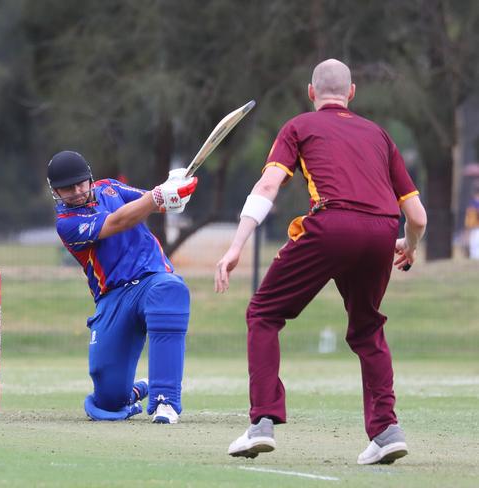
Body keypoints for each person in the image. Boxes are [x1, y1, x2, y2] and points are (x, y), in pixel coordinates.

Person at [214, 59, 427, 464]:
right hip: (383, 230)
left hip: (333, 223)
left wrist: (236, 245)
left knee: (263, 313)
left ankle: (261, 422)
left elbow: (268, 185)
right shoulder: (379, 135)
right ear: (351, 94)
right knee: (368, 329)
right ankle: (386, 430)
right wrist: (410, 246)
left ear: (311, 93)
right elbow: (417, 216)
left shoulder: (298, 126)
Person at [47, 150, 197, 423]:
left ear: (90, 178)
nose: (78, 192)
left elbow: (155, 203)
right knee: (109, 400)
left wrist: (176, 189)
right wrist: (158, 195)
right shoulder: (66, 224)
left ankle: (165, 400)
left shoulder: (110, 188)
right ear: (56, 192)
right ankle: (137, 389)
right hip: (112, 298)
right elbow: (119, 221)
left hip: (152, 279)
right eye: (68, 189)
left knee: (169, 289)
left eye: (81, 183)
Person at [464, 181, 479, 259]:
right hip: (475, 229)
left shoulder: (473, 204)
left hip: (475, 230)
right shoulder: (473, 203)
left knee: (475, 252)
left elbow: (470, 222)